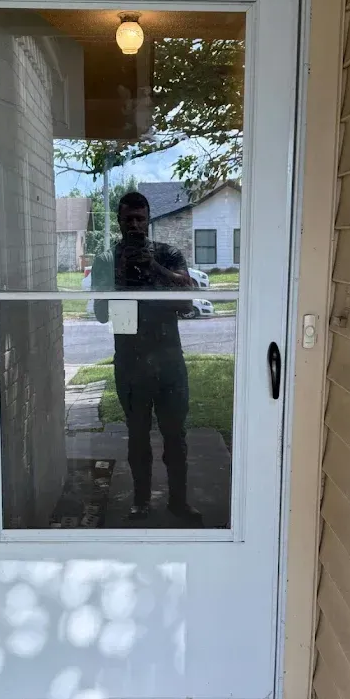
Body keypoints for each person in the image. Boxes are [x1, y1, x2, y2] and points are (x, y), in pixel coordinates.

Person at [92, 191, 203, 526]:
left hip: (169, 360)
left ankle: (178, 502)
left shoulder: (167, 254)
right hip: (131, 361)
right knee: (137, 435)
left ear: (149, 218)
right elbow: (99, 313)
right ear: (120, 221)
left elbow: (187, 301)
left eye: (141, 218)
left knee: (175, 435)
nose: (136, 225)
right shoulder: (107, 259)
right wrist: (118, 277)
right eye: (129, 219)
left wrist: (152, 268)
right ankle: (141, 502)